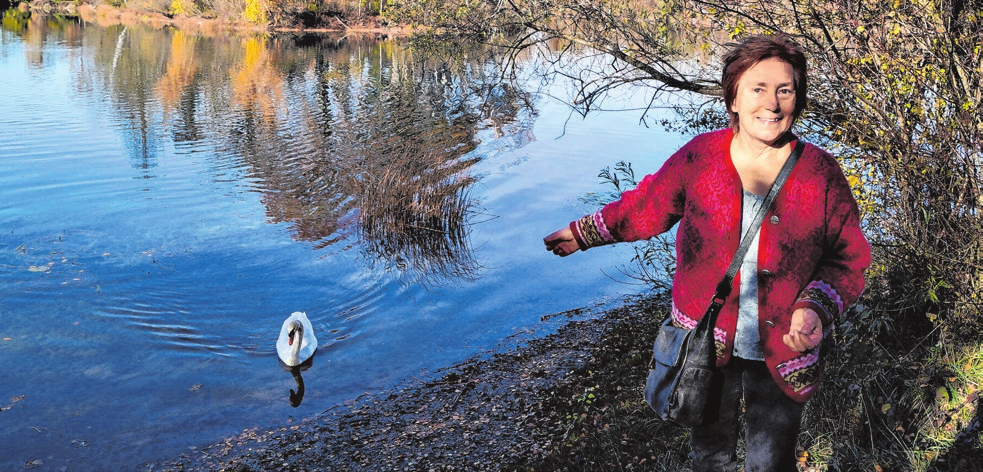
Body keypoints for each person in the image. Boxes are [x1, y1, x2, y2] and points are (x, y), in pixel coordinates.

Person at [543, 35, 871, 471]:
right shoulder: (701, 157)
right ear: (733, 97)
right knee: (709, 458)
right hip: (706, 344)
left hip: (783, 351)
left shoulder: (820, 172)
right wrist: (584, 232)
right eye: (758, 88)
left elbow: (849, 258)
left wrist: (815, 308)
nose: (772, 104)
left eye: (785, 90)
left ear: (798, 98)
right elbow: (647, 207)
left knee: (770, 464)